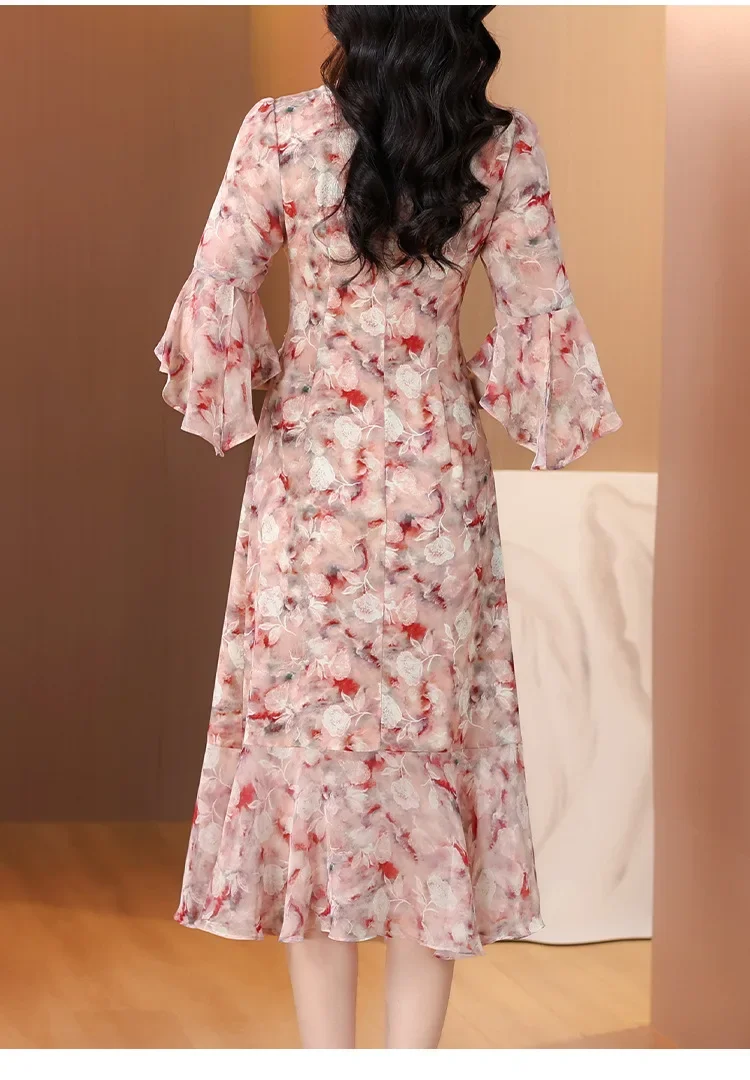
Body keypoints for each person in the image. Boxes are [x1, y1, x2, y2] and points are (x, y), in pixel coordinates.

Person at [154, 4, 622, 1051]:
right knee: (425, 774)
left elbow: (216, 297)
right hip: (435, 484)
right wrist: (450, 384)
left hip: (309, 485)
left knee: (317, 771)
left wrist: (275, 382)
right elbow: (540, 324)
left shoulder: (279, 131)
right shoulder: (501, 148)